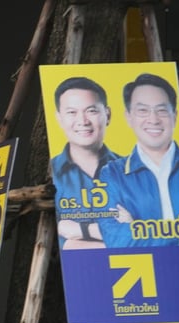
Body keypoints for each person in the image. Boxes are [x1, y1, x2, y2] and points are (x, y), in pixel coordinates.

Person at [99, 73, 179, 248]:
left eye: (161, 110)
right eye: (143, 110)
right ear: (129, 117)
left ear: (174, 116)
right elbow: (117, 239)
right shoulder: (113, 174)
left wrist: (136, 228)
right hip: (139, 269)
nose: (153, 119)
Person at [50, 76, 119, 249]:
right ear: (59, 118)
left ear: (107, 115)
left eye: (91, 111)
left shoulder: (131, 170)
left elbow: (140, 233)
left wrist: (79, 230)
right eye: (72, 112)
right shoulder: (50, 172)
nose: (83, 121)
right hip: (72, 272)